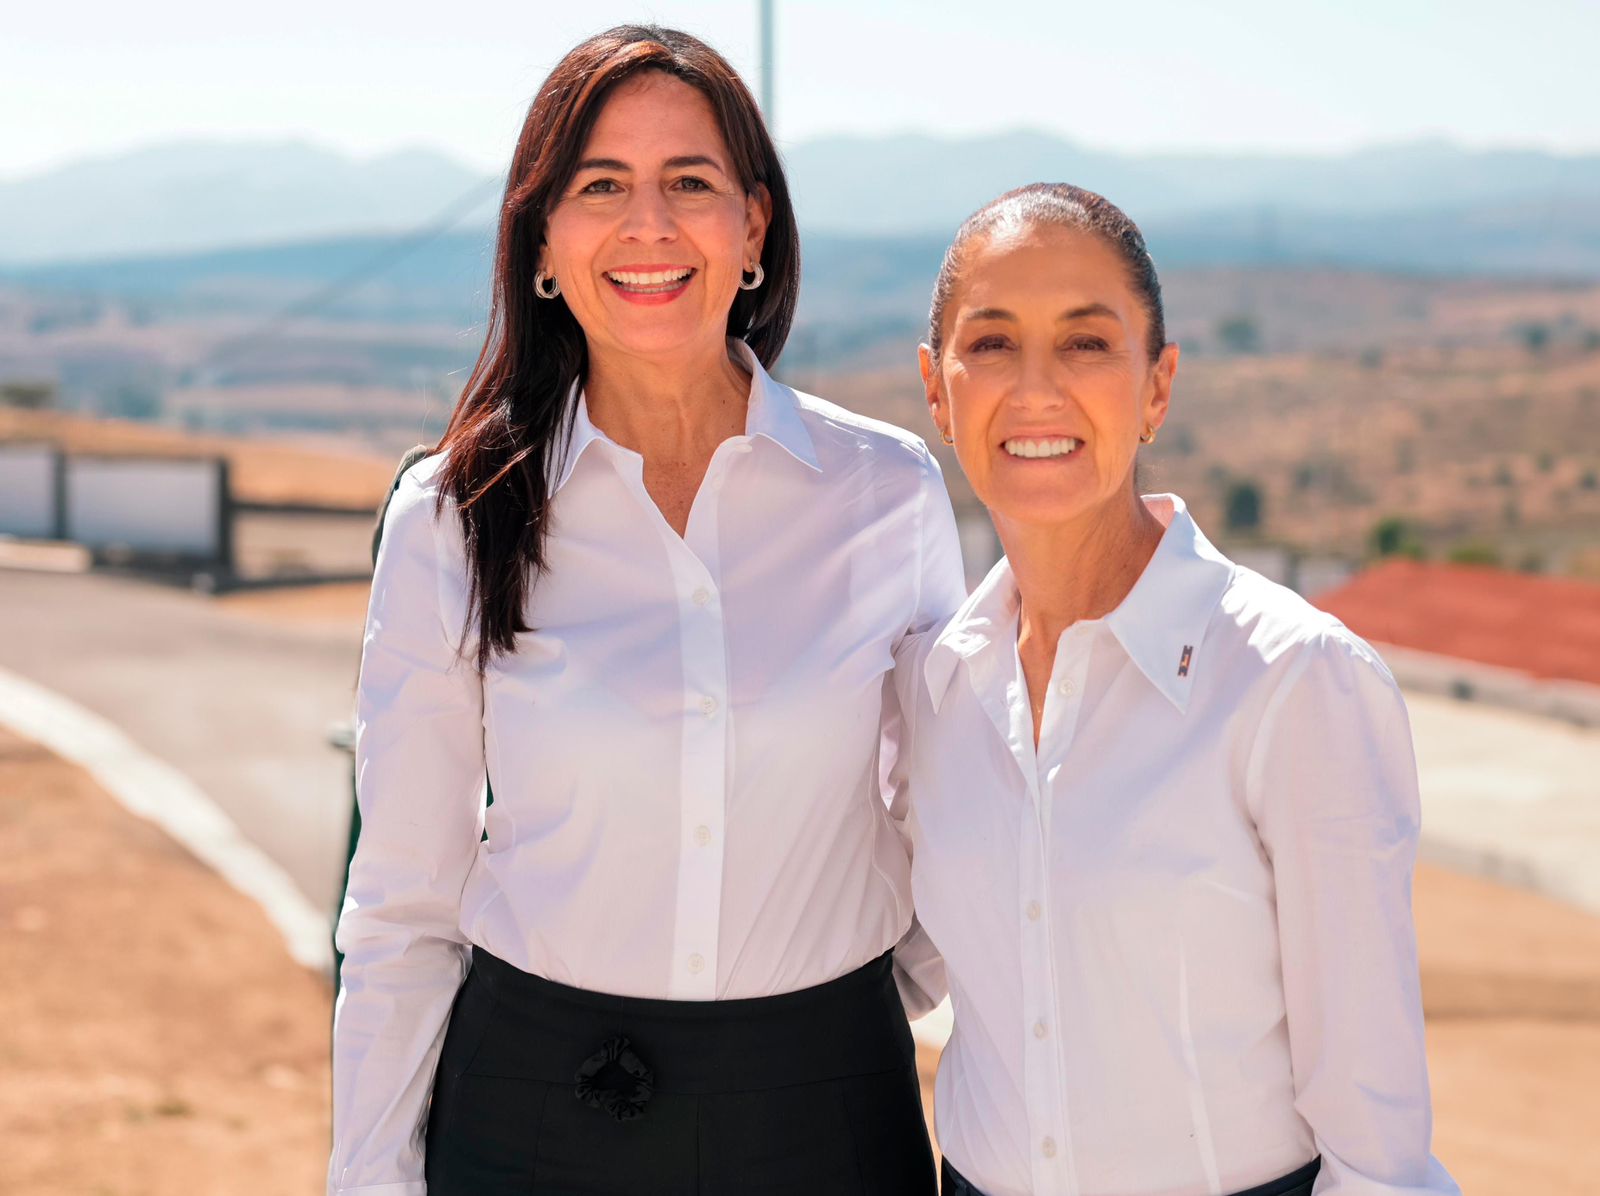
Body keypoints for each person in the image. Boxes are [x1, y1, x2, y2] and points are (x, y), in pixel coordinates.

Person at [328, 25, 963, 1196]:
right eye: (602, 186)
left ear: (753, 228)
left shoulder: (886, 493)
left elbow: (950, 818)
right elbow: (402, 903)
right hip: (527, 1120)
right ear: (542, 241)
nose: (650, 225)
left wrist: (827, 1009)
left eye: (691, 183)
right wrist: (368, 1175)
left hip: (826, 1115)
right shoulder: (452, 515)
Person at [894, 183, 1459, 1196]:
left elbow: (1376, 1147)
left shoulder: (1295, 683)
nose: (1035, 389)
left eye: (1086, 343)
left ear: (1157, 388)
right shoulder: (933, 687)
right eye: (992, 343)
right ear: (938, 392)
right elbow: (889, 967)